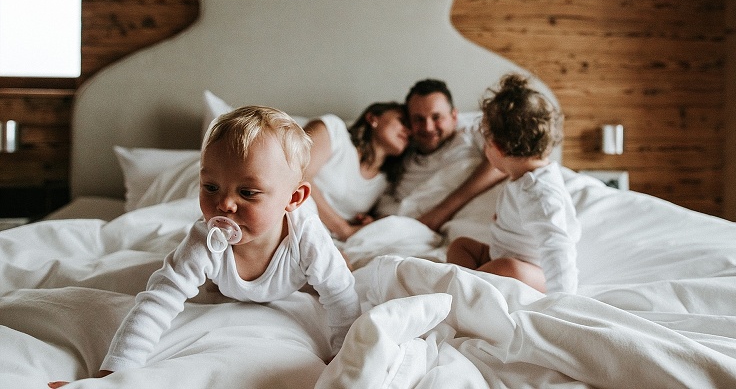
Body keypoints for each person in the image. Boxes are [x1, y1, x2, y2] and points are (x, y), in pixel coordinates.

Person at [50, 106, 360, 386]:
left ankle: (336, 254)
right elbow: (157, 302)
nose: (224, 204)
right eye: (210, 187)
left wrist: (342, 354)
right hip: (216, 264)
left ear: (293, 198)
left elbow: (342, 297)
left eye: (248, 193)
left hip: (301, 247)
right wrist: (113, 375)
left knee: (333, 273)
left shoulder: (306, 239)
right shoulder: (207, 239)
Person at [446, 74, 581, 294]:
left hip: (537, 273)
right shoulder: (522, 178)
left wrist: (562, 300)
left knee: (505, 268)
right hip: (502, 254)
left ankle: (469, 291)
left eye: (486, 144)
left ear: (497, 149)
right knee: (461, 246)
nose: (485, 150)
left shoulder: (540, 192)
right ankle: (471, 289)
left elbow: (557, 247)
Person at [376, 79, 506, 231]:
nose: (428, 127)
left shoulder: (472, 133)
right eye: (418, 119)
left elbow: (502, 163)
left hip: (484, 222)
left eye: (436, 117)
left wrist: (441, 212)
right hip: (420, 233)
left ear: (454, 116)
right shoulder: (402, 161)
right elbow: (387, 209)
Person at [302, 102, 410, 241]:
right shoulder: (335, 131)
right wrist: (343, 229)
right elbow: (297, 174)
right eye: (402, 122)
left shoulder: (386, 182)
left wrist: (366, 222)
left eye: (411, 130)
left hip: (331, 239)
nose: (409, 131)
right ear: (372, 118)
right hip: (298, 218)